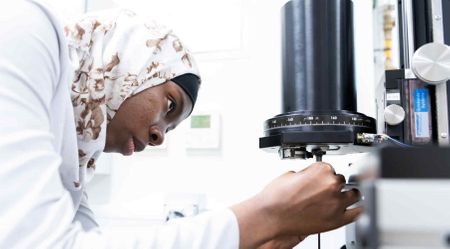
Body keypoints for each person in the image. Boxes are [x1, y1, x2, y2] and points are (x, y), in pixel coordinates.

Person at [0, 1, 361, 248]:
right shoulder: (28, 31)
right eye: (169, 106)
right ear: (128, 63)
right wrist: (264, 214)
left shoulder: (71, 167)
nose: (158, 136)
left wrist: (260, 236)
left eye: (170, 129)